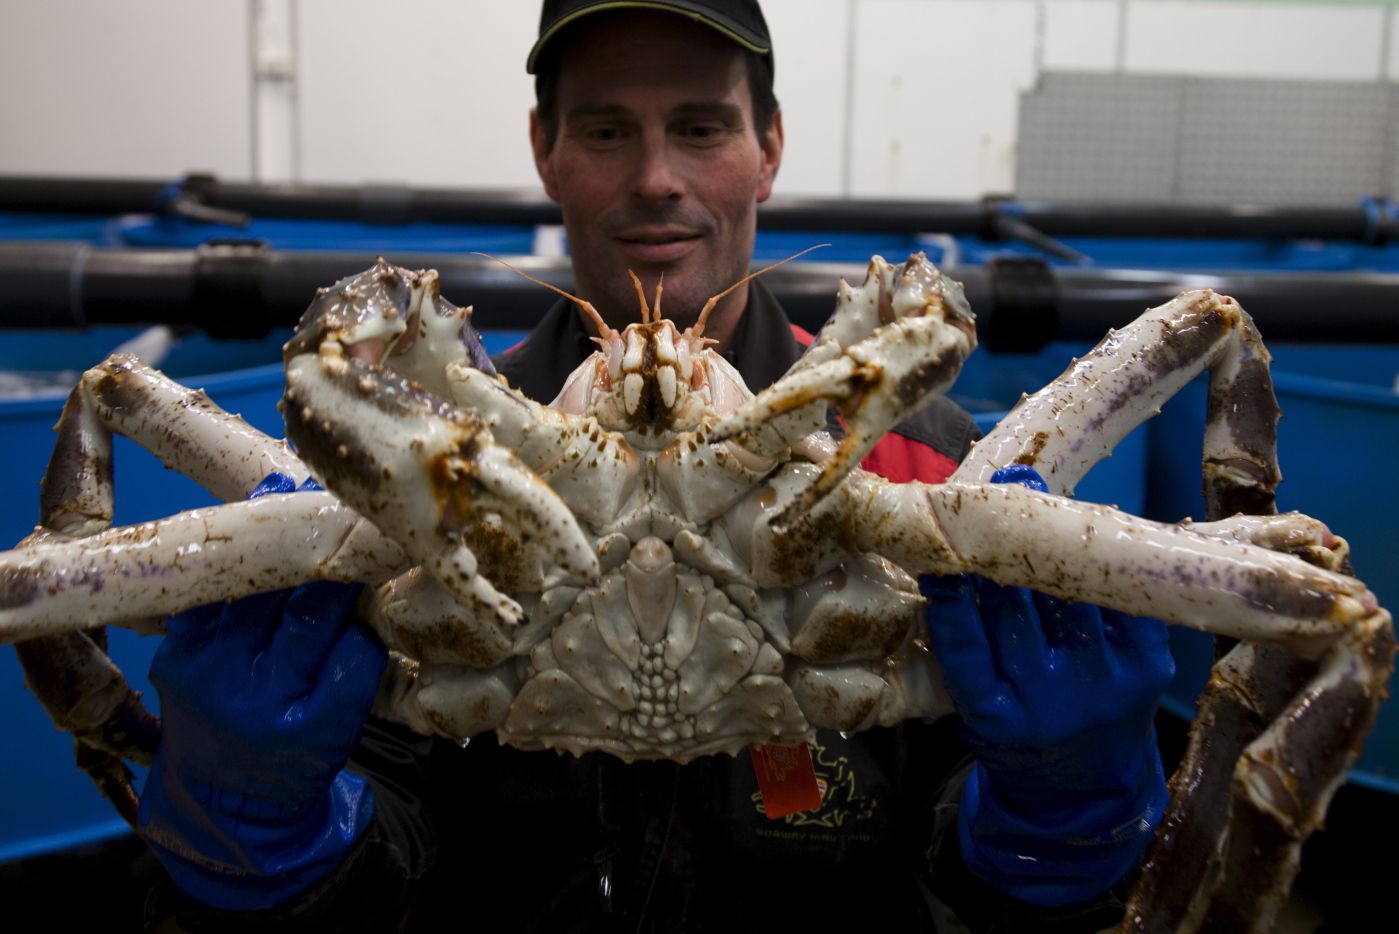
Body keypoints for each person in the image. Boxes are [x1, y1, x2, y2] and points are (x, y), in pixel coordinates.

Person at [137, 2, 1175, 931]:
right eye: (603, 129)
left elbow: (977, 893)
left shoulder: (926, 467)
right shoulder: (418, 461)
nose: (654, 178)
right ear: (545, 150)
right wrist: (265, 844)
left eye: (700, 125)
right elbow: (383, 848)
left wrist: (1056, 831)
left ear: (766, 147)